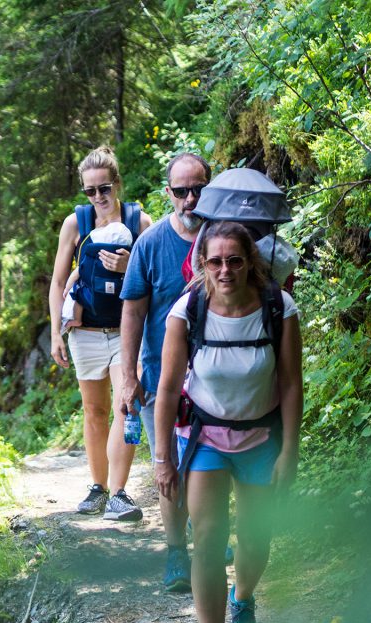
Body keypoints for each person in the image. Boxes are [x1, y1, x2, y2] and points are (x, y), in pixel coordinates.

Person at [153, 221, 303, 623]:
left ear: (250, 263)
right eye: (215, 261)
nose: (225, 270)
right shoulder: (187, 311)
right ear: (202, 265)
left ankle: (244, 600)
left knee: (257, 538)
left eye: (234, 260)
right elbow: (167, 389)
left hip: (262, 436)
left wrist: (290, 451)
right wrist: (163, 458)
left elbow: (292, 382)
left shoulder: (279, 308)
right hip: (205, 437)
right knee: (209, 541)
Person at [119, 152, 211, 590]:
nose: (191, 199)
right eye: (182, 191)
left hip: (217, 376)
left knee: (209, 465)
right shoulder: (150, 244)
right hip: (162, 378)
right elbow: (133, 313)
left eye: (199, 189)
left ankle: (206, 534)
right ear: (168, 193)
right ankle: (176, 553)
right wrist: (128, 376)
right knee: (168, 465)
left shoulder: (223, 241)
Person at [49, 146, 153, 520]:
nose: (97, 198)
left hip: (127, 331)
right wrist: (55, 334)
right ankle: (98, 486)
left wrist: (131, 265)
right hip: (86, 332)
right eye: (89, 191)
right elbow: (58, 280)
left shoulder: (140, 222)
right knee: (94, 410)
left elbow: (156, 278)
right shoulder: (75, 224)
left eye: (103, 189)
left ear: (117, 183)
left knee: (127, 406)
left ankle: (120, 493)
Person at [61, 221, 134, 332]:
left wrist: (68, 288)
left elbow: (79, 271)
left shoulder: (93, 257)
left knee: (77, 291)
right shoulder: (126, 256)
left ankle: (76, 319)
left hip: (92, 299)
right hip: (119, 302)